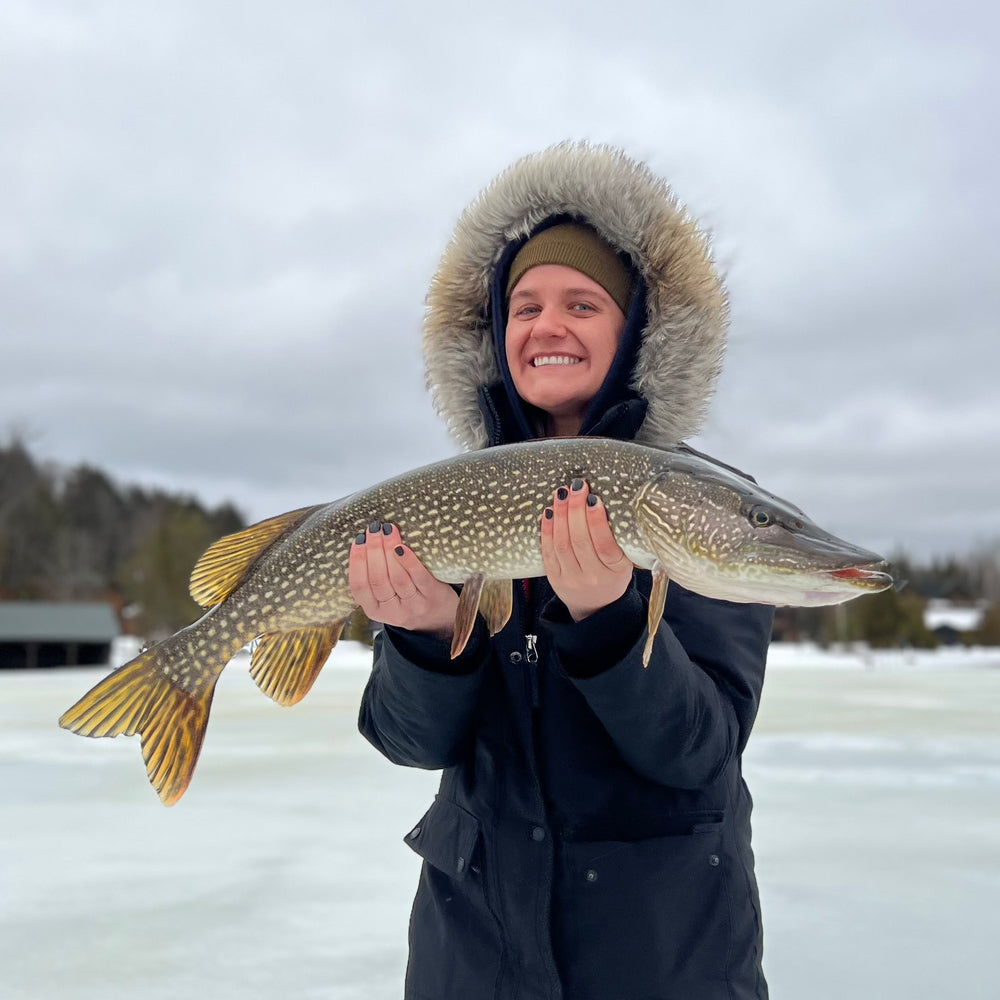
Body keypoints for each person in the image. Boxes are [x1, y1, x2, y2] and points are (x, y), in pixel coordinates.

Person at [349, 142, 774, 1000]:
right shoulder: (454, 504)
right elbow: (408, 741)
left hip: (662, 962)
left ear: (634, 331)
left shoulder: (694, 507)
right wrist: (429, 636)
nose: (547, 327)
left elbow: (697, 754)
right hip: (474, 960)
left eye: (582, 303)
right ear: (496, 335)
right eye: (525, 306)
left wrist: (612, 621)